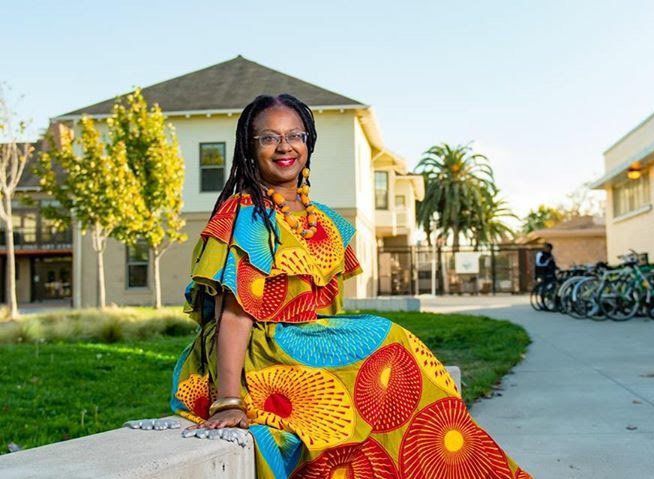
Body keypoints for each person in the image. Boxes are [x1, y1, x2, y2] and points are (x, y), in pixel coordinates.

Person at [169, 94, 532, 478]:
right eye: (268, 138)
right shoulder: (245, 216)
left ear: (308, 143)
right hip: (260, 356)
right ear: (249, 146)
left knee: (400, 365)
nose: (285, 146)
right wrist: (228, 400)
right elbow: (235, 314)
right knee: (387, 344)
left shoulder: (321, 220)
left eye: (295, 135)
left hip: (304, 346)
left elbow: (327, 314)